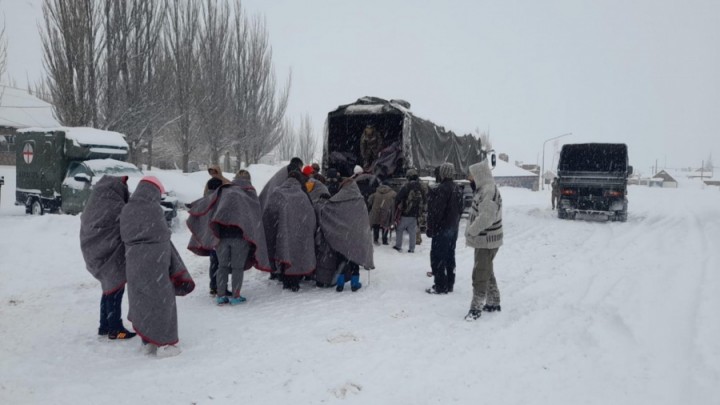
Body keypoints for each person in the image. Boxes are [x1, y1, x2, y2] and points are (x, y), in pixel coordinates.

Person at [120, 176, 195, 356]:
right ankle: (164, 344)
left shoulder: (127, 208)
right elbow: (163, 235)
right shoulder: (153, 209)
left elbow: (124, 233)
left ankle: (147, 341)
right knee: (162, 302)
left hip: (133, 261)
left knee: (140, 301)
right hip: (155, 262)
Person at [187, 171, 271, 306]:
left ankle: (220, 295)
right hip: (240, 238)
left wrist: (194, 207)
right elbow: (254, 217)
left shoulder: (224, 191)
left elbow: (209, 203)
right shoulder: (249, 194)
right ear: (248, 180)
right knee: (237, 267)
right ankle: (235, 296)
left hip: (221, 238)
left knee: (222, 266)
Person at [79, 175, 136, 340]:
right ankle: (115, 328)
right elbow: (126, 219)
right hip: (109, 253)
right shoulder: (114, 205)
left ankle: (104, 325)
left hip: (96, 251)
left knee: (108, 288)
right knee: (115, 288)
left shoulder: (97, 200)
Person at [314, 178, 374, 292]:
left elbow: (326, 210)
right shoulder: (360, 200)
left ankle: (340, 284)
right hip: (356, 237)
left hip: (341, 237)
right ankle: (354, 284)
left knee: (340, 262)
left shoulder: (336, 199)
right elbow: (364, 221)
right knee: (354, 262)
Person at [262, 167, 317, 291]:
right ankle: (295, 280)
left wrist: (275, 228)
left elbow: (268, 213)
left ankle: (284, 278)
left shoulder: (277, 193)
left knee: (283, 251)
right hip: (299, 233)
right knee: (297, 255)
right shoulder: (302, 195)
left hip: (282, 232)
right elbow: (310, 216)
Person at [464, 154, 503, 321]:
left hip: (486, 240)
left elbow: (486, 217)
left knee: (480, 274)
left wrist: (472, 230)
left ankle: (476, 308)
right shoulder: (485, 188)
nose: (469, 179)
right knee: (487, 271)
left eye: (471, 176)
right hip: (485, 240)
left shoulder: (488, 190)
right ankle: (494, 301)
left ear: (479, 175)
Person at [426, 163, 464, 295]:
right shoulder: (457, 188)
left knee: (438, 256)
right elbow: (461, 209)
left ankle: (440, 285)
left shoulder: (442, 189)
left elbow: (436, 211)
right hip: (453, 228)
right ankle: (449, 283)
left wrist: (431, 227)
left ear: (442, 173)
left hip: (442, 228)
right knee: (450, 255)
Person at [393, 168, 426, 253]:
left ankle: (398, 246)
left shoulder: (406, 186)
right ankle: (412, 249)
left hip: (406, 212)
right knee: (412, 231)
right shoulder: (421, 186)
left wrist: (398, 205)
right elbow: (425, 200)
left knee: (399, 229)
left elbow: (398, 197)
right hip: (416, 214)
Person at [205, 177, 225, 296]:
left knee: (214, 262)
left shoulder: (206, 199)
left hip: (209, 235)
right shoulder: (219, 199)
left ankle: (213, 286)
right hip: (219, 234)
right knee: (221, 263)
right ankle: (219, 286)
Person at [367, 179, 397, 245]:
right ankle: (384, 240)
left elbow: (369, 201)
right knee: (386, 225)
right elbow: (397, 201)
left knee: (376, 225)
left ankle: (376, 239)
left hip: (376, 211)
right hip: (387, 212)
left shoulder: (375, 192)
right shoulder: (393, 193)